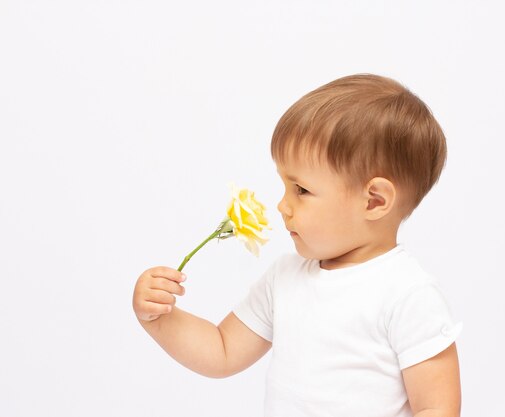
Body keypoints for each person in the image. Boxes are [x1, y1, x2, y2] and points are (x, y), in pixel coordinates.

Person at [133, 74, 463, 417]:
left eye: (301, 190)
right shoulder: (285, 277)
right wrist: (160, 318)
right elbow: (222, 350)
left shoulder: (408, 295)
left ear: (374, 201)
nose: (282, 205)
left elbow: (437, 408)